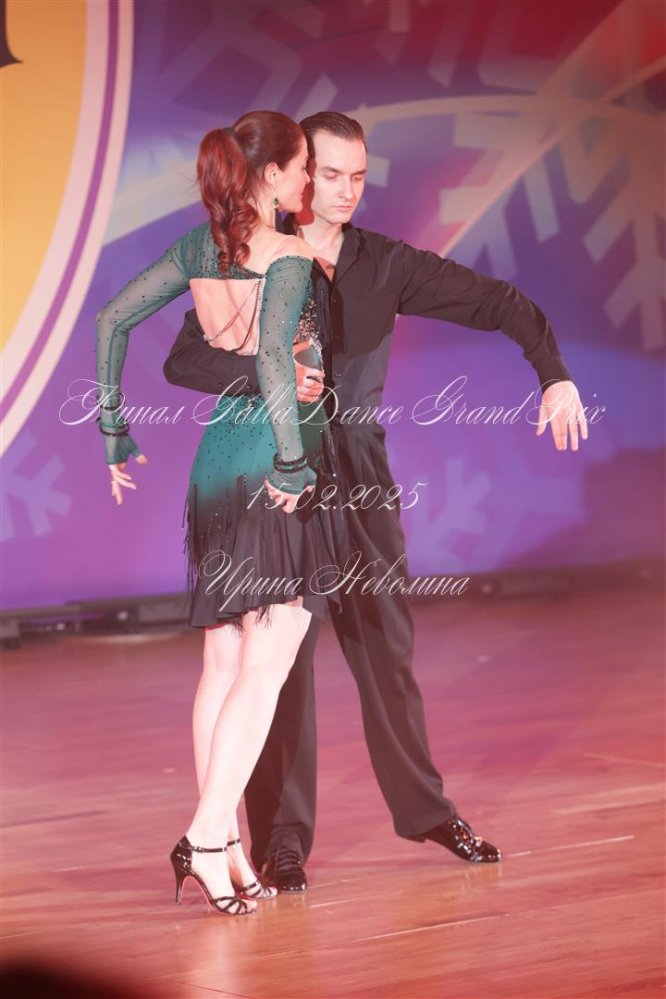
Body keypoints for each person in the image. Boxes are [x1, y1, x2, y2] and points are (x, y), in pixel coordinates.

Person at [164, 112, 589, 891]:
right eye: (330, 173)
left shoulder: (385, 263)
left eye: (359, 176)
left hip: (357, 472)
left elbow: (496, 300)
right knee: (278, 665)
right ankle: (281, 841)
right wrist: (268, 376)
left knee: (385, 645)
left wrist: (553, 371)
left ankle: (426, 810)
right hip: (278, 469)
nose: (346, 190)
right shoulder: (252, 258)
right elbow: (185, 356)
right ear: (296, 173)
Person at [95, 110, 350, 916]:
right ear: (272, 174)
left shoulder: (198, 250)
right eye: (303, 167)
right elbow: (275, 357)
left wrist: (114, 430)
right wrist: (293, 462)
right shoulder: (287, 256)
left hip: (214, 465)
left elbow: (111, 319)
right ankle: (207, 835)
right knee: (266, 661)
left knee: (223, 661)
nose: (308, 181)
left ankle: (229, 844)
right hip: (270, 463)